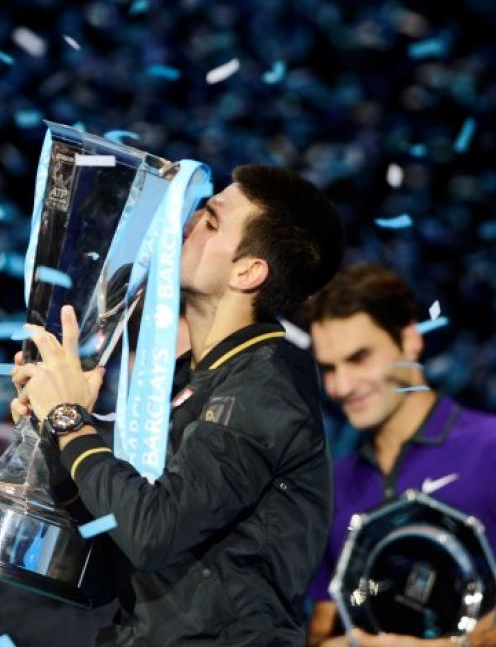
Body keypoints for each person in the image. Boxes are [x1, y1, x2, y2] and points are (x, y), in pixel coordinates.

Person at [11, 164, 344, 646]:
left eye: (209, 221)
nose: (184, 223)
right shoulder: (197, 375)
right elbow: (114, 531)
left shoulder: (266, 384)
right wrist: (53, 430)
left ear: (248, 272)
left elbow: (153, 533)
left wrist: (71, 422)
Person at [305, 262, 496, 647]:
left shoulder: (488, 446)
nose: (342, 386)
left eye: (359, 358)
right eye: (329, 368)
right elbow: (326, 624)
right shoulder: (337, 483)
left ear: (410, 340)